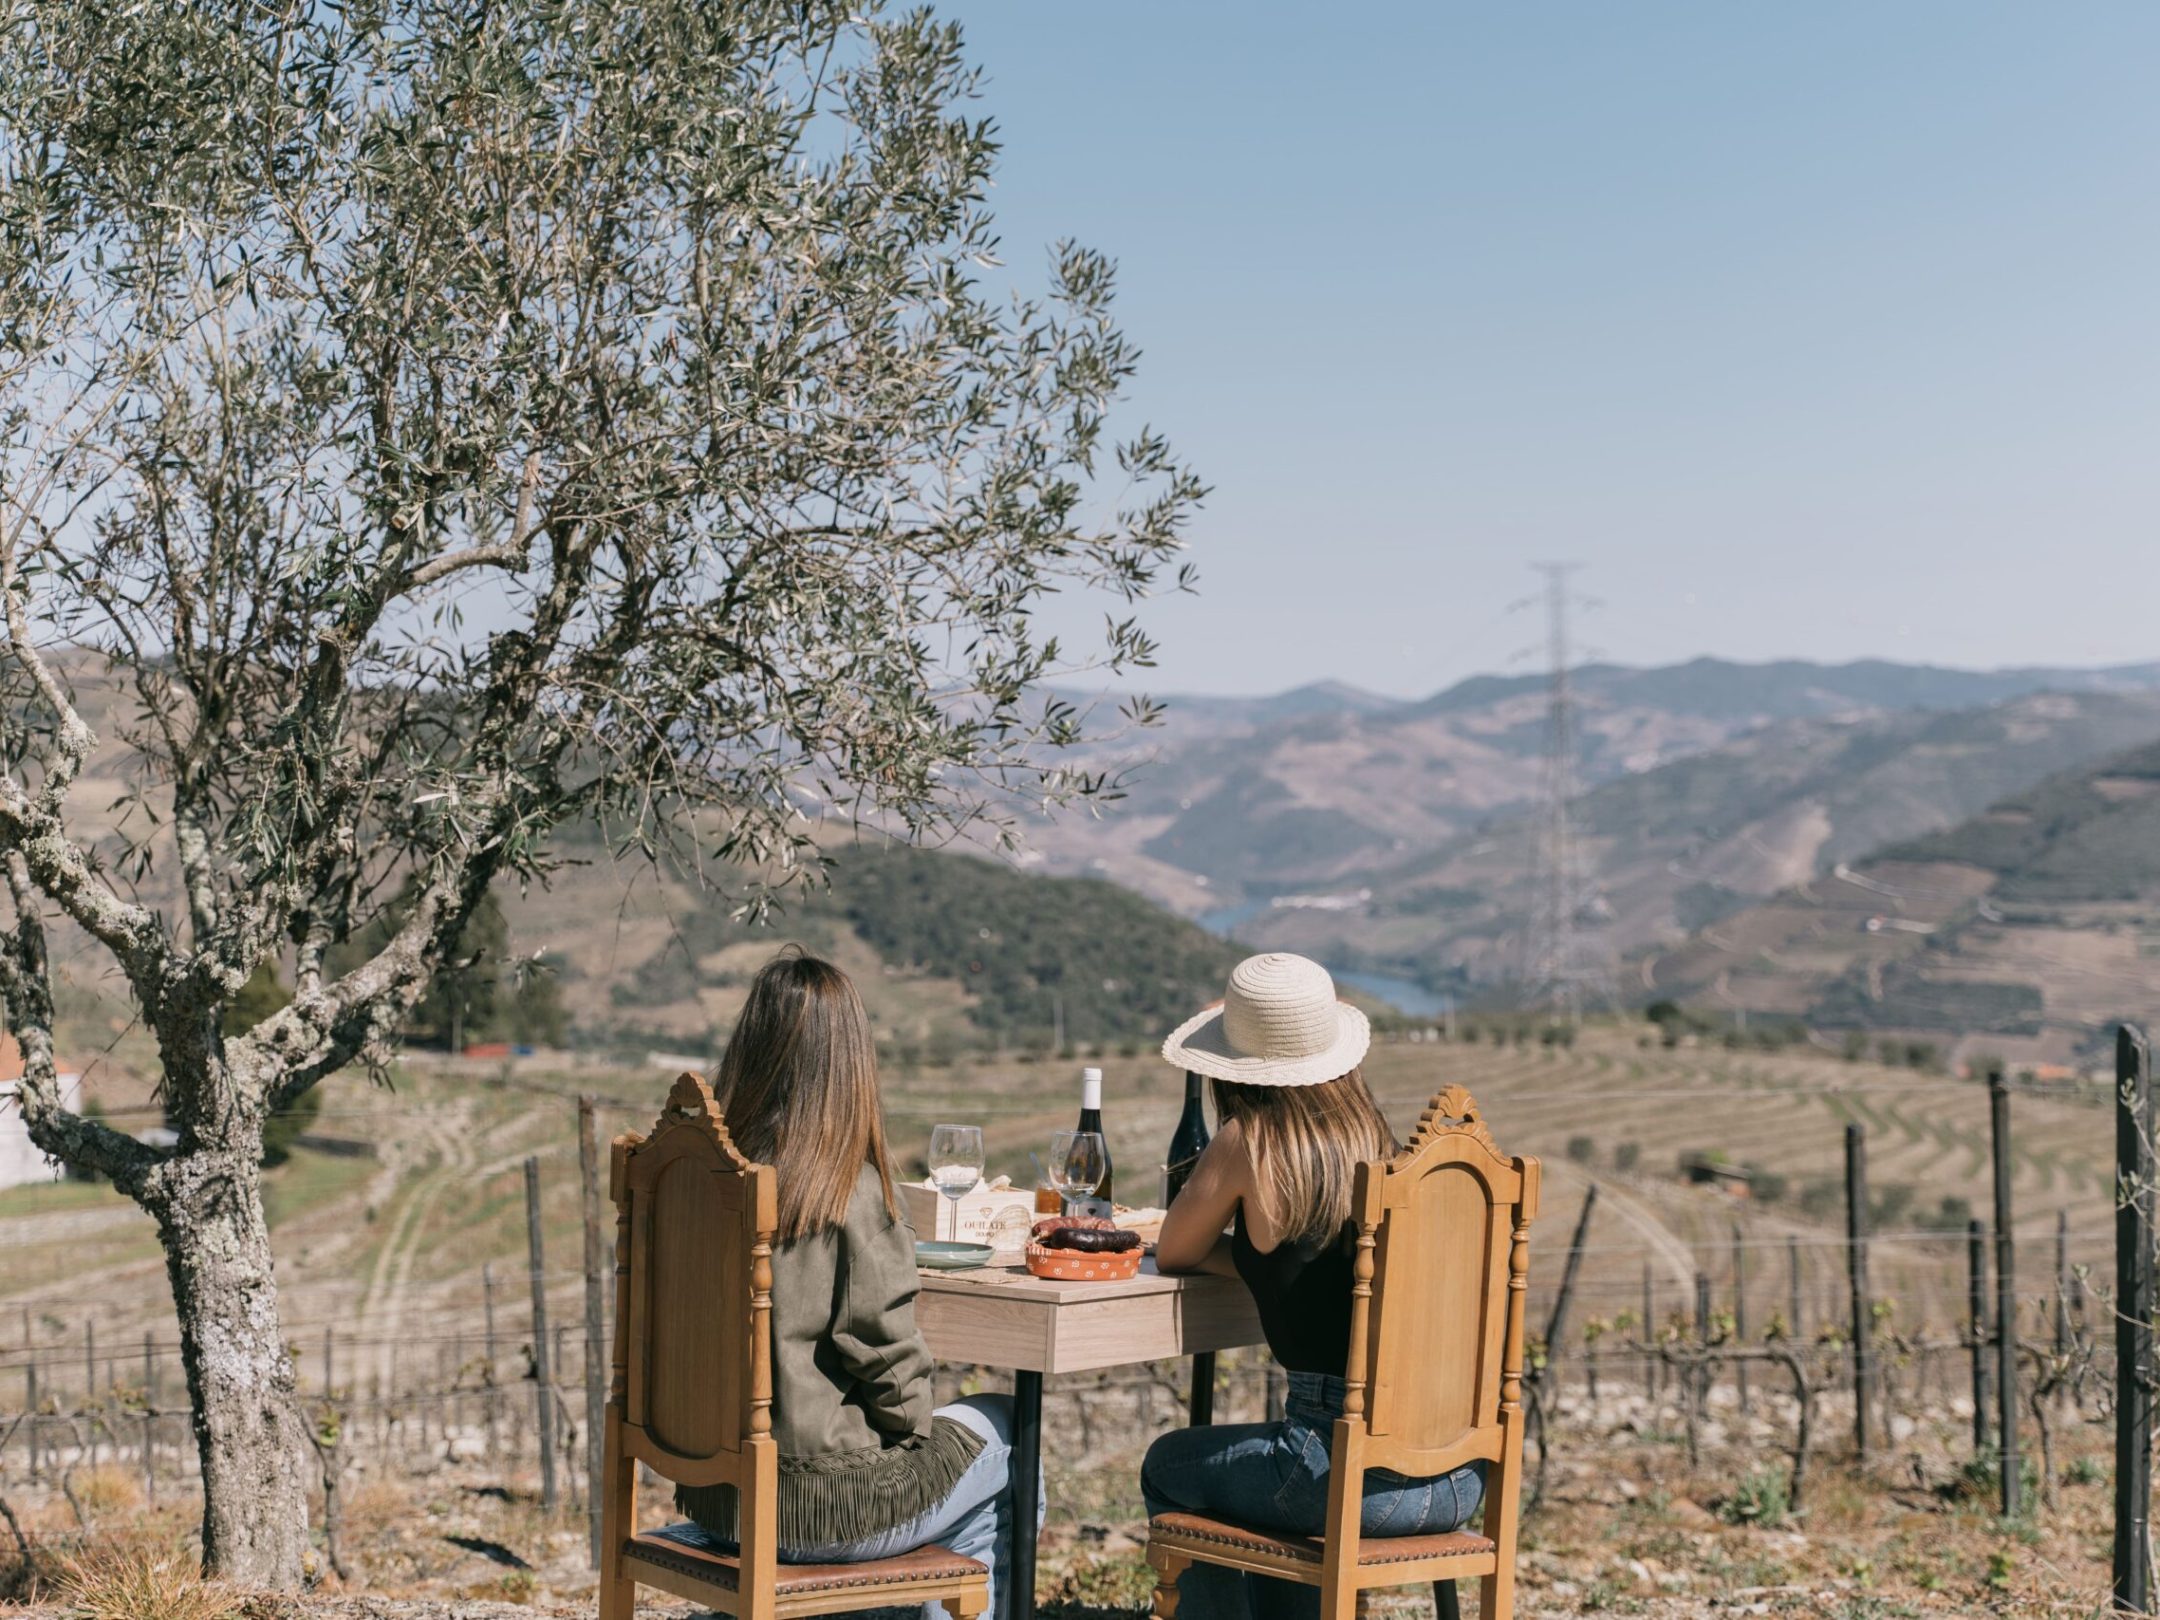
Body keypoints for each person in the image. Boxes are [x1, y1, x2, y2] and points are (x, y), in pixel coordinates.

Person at [664, 951, 1038, 1620]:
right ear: (850, 1063)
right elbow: (884, 1356)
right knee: (1013, 1432)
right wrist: (916, 1423)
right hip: (816, 1508)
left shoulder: (698, 1182)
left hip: (715, 1495)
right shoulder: (849, 1190)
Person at [1145, 952, 1487, 1620]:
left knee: (1171, 1465)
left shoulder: (1250, 1141)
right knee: (1279, 1482)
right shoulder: (1380, 1142)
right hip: (1456, 1479)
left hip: (1343, 1478)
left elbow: (1176, 1250)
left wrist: (1243, 1254)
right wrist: (1259, 1260)